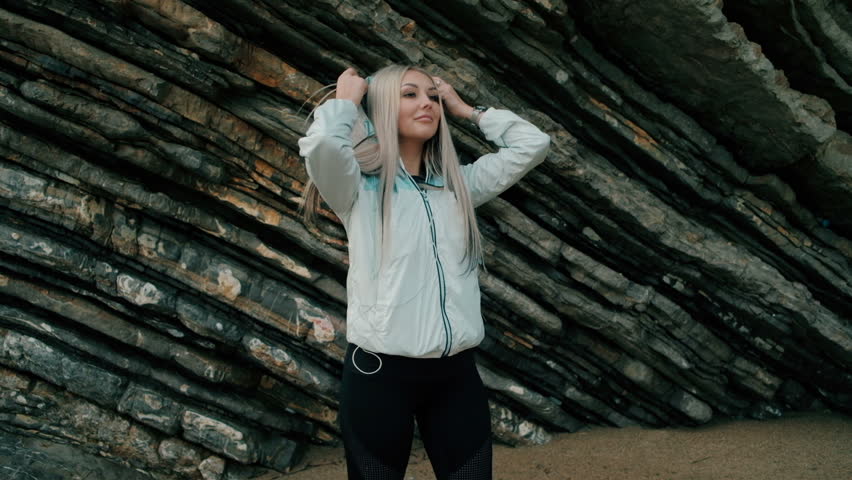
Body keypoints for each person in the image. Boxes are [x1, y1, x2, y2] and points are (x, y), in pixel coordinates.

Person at [298, 64, 550, 480]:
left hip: (455, 376)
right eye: (410, 94)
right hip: (378, 377)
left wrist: (468, 110)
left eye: (433, 96)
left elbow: (533, 145)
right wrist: (346, 102)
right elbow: (324, 144)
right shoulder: (356, 187)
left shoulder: (457, 186)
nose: (427, 104)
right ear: (380, 107)